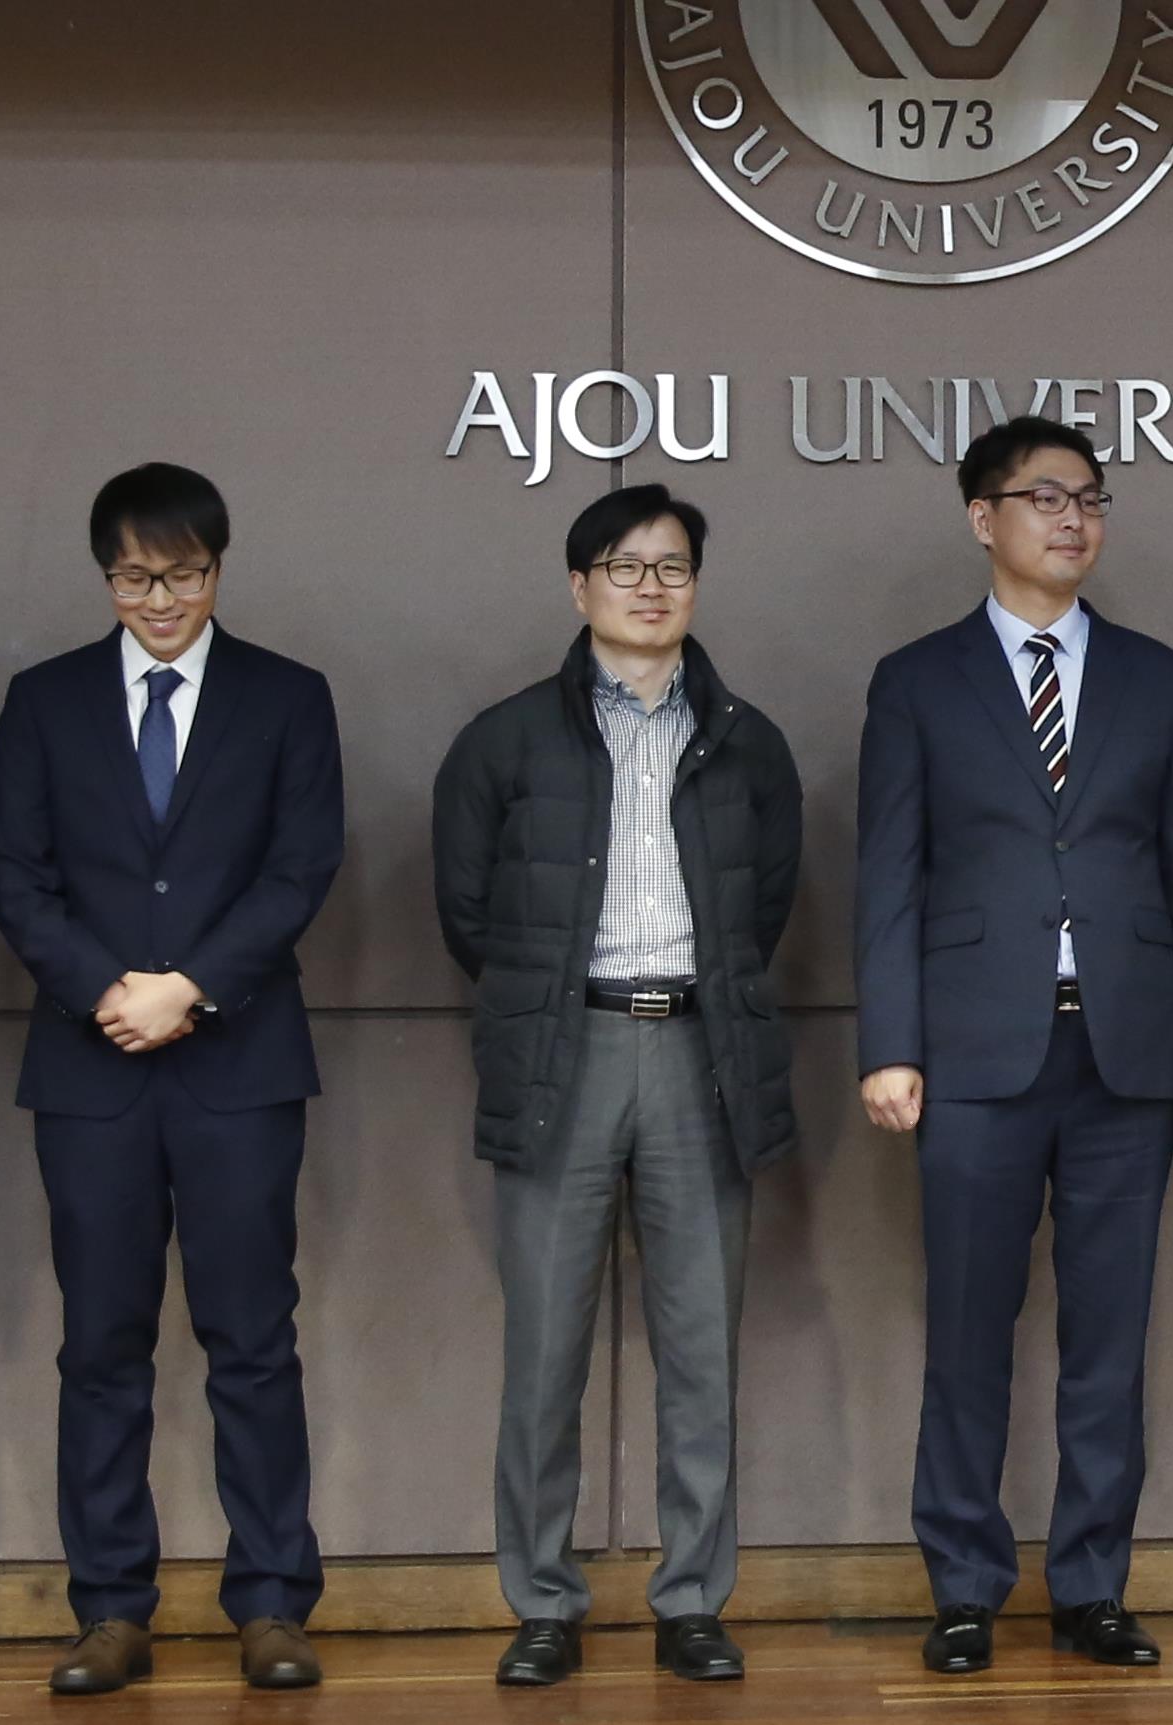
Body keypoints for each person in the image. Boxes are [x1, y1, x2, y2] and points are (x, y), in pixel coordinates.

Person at [855, 415, 1173, 1675]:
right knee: (967, 1329)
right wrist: (889, 1044)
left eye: (1089, 497)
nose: (1072, 518)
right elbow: (889, 878)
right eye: (1042, 497)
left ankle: (1092, 1587)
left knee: (1110, 1337)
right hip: (969, 1052)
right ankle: (964, 1586)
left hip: (1127, 1050)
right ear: (982, 518)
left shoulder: (1159, 675)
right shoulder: (915, 679)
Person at [0, 463, 343, 1695]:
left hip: (238, 1061)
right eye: (137, 577)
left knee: (253, 1339)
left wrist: (190, 986)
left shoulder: (288, 696)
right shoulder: (44, 700)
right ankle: (110, 1610)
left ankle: (273, 1604)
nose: (161, 597)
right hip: (92, 1071)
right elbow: (11, 869)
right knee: (101, 1346)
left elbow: (300, 868)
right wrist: (107, 990)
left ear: (218, 570)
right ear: (106, 578)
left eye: (182, 574)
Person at [431, 484, 803, 1687]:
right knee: (543, 1350)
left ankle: (691, 1597)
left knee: (702, 1349)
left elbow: (769, 902)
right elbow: (469, 912)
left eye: (674, 567)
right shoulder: (504, 739)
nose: (651, 587)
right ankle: (543, 1598)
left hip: (700, 1052)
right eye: (624, 565)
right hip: (566, 1051)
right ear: (579, 585)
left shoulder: (747, 738)